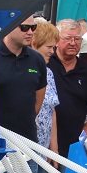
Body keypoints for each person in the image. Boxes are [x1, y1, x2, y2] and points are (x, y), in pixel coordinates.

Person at [0, 15, 48, 173]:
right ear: (8, 27)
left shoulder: (37, 60)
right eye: (24, 28)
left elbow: (38, 99)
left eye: (33, 28)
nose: (30, 32)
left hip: (26, 142)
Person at [48, 19, 87, 160]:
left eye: (77, 39)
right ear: (57, 40)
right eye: (68, 38)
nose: (73, 43)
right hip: (44, 138)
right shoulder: (46, 63)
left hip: (73, 142)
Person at [32, 19, 61, 153]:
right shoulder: (23, 73)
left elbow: (51, 110)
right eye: (49, 47)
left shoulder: (48, 73)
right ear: (34, 44)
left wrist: (53, 147)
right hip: (25, 147)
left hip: (44, 148)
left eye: (54, 47)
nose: (52, 52)